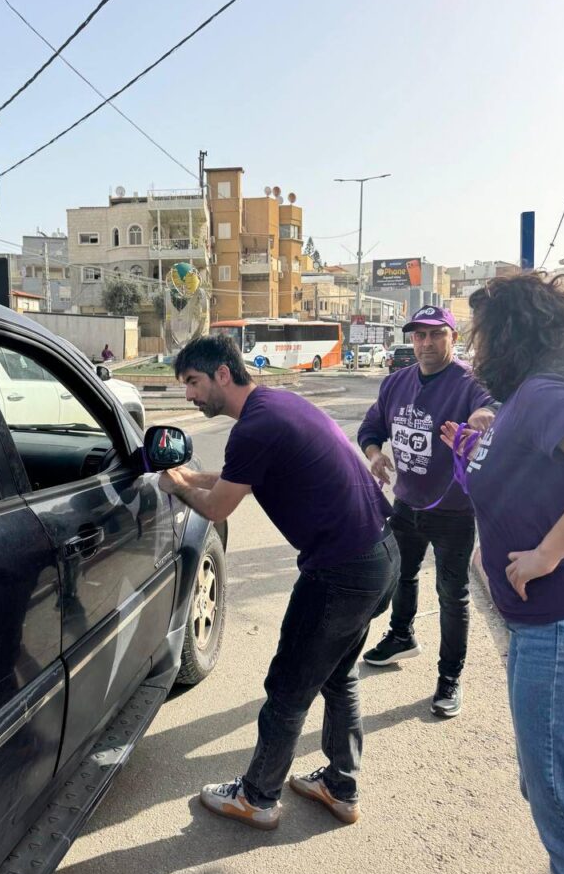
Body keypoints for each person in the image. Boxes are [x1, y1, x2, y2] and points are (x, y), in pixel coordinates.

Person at [158, 335, 400, 830]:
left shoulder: (255, 428)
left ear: (222, 374)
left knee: (289, 686)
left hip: (340, 572)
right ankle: (340, 786)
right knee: (337, 676)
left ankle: (257, 797)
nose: (189, 395)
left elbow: (218, 507)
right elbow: (239, 477)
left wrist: (176, 484)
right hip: (380, 555)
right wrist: (192, 476)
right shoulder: (274, 406)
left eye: (193, 382)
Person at [440, 273, 564, 874]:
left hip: (555, 629)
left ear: (513, 332)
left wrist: (547, 552)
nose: (475, 347)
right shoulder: (525, 398)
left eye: (482, 333)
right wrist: (480, 441)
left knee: (554, 792)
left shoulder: (545, 394)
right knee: (547, 782)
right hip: (537, 630)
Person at [357, 305, 496, 718]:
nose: (427, 343)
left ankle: (449, 677)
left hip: (453, 511)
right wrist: (374, 454)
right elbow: (370, 428)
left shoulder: (469, 383)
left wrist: (479, 421)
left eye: (437, 334)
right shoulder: (396, 383)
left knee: (452, 595)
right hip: (406, 504)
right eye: (419, 335)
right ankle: (401, 635)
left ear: (453, 337)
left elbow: (489, 408)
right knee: (402, 574)